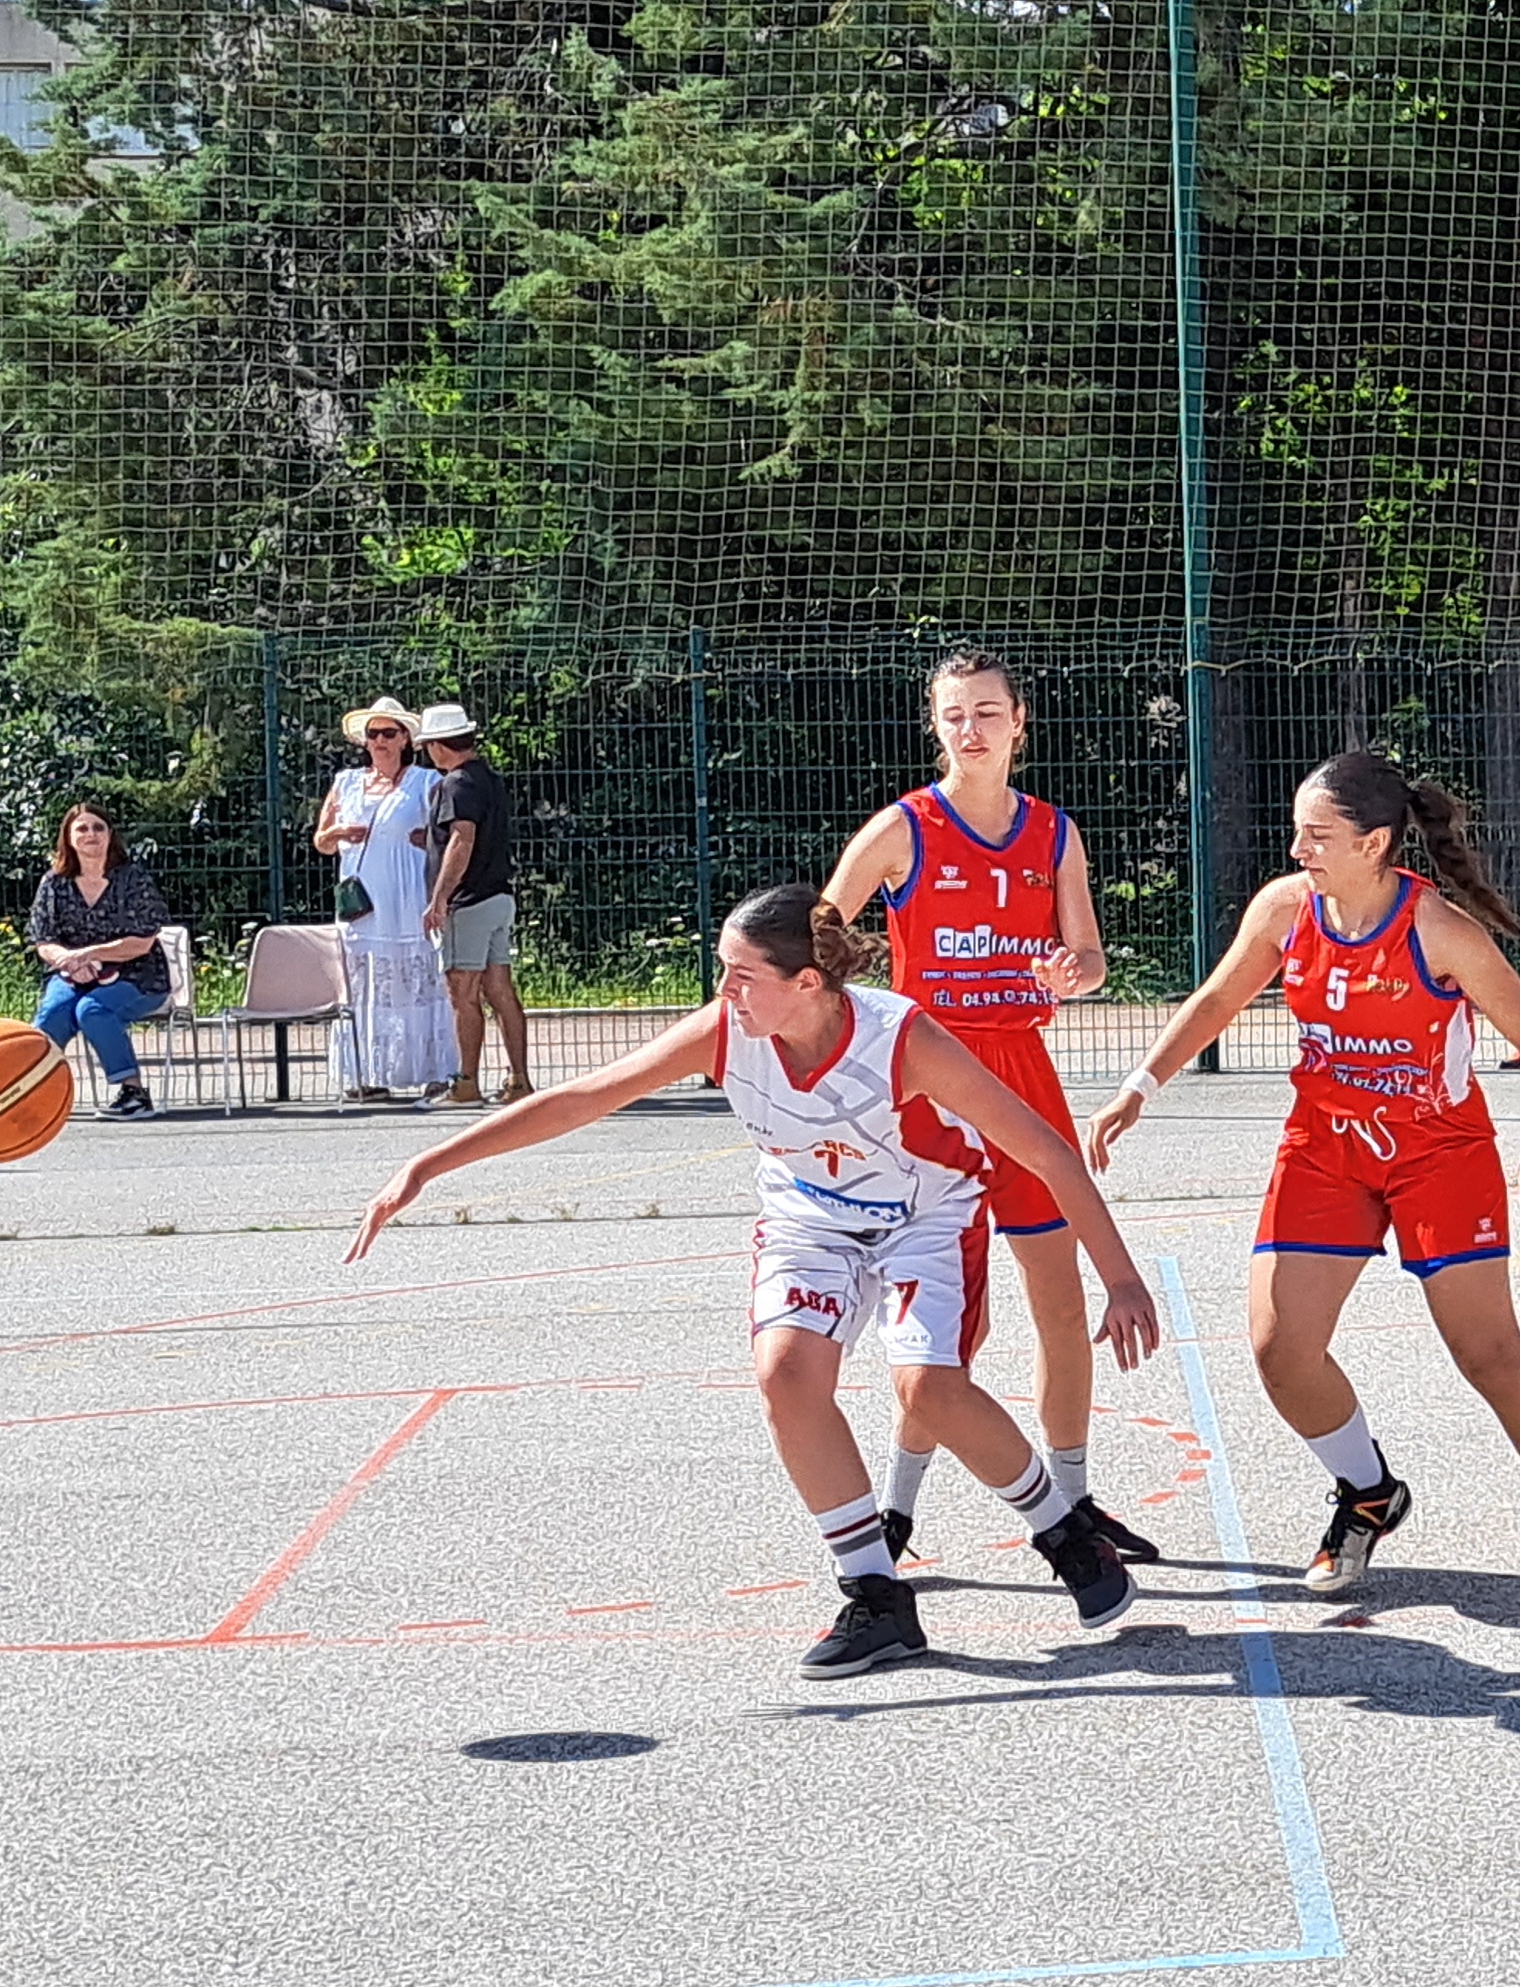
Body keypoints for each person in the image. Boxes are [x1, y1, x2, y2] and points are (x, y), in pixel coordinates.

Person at [348, 887, 1165, 1681]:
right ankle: (875, 1594)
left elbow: (1046, 1151)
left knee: (928, 1388)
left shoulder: (901, 1039)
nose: (723, 990)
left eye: (740, 975)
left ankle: (1064, 1533)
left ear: (806, 984)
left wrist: (1120, 1278)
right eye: (722, 970)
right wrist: (430, 1165)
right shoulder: (725, 1032)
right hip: (811, 1219)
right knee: (786, 1374)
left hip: (926, 1217)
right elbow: (584, 1097)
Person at [1087, 750, 1520, 1611]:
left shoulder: (1439, 930)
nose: (1298, 849)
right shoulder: (1286, 910)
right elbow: (1215, 1001)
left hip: (1438, 1152)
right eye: (1297, 833)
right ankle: (1367, 1492)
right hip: (1327, 1148)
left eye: (1317, 836)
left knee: (1489, 1352)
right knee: (1280, 1347)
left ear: (1374, 842)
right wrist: (1138, 1087)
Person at [826, 650, 1156, 1566]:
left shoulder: (1052, 833)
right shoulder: (903, 829)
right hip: (932, 1078)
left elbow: (1090, 958)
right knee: (948, 1324)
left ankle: (1075, 1500)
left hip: (1020, 1070)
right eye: (953, 714)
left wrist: (1073, 974)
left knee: (1060, 1299)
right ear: (934, 726)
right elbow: (818, 933)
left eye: (985, 712)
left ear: (1019, 723)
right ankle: (895, 1512)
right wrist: (854, 1013)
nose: (969, 729)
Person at [310, 697, 456, 1102]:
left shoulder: (426, 782)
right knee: (364, 985)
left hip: (409, 895)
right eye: (373, 734)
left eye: (388, 733)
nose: (379, 741)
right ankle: (366, 1074)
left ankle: (435, 1070)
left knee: (420, 979)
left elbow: (449, 834)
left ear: (405, 738)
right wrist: (340, 833)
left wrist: (428, 841)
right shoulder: (346, 783)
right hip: (364, 900)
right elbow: (321, 841)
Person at [414, 702, 532, 1107]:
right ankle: (519, 1080)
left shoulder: (455, 783)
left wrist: (439, 898)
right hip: (499, 896)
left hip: (469, 902)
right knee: (500, 990)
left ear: (437, 745)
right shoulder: (488, 779)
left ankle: (466, 1083)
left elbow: (462, 839)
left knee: (462, 994)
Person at [26, 803, 176, 1119]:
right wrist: (69, 961)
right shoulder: (53, 883)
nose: (91, 834)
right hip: (71, 973)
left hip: (138, 976)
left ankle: (134, 1094)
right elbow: (43, 941)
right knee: (53, 1013)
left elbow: (142, 942)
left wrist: (89, 955)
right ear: (68, 837)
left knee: (92, 1010)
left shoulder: (132, 879)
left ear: (110, 835)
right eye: (82, 828)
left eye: (98, 827)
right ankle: (28, 1091)